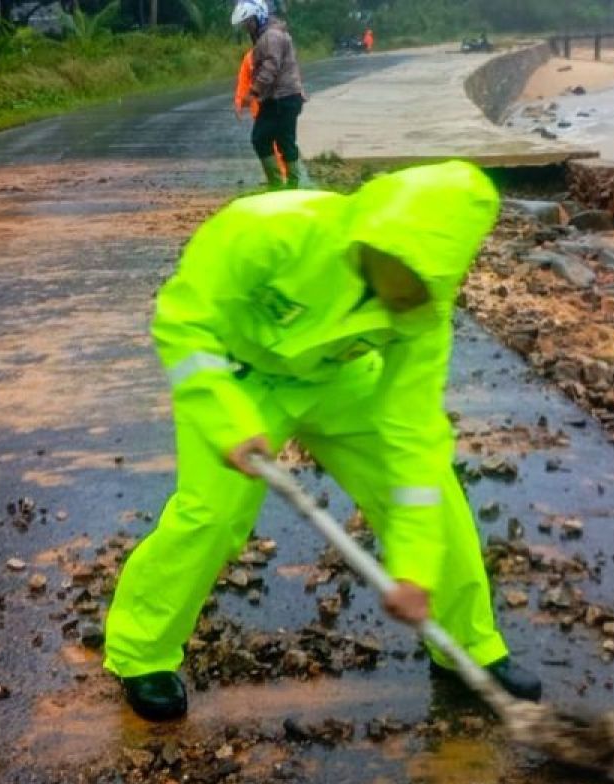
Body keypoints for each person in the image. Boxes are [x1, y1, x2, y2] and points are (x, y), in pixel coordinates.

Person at [102, 161, 543, 722]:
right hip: (237, 376)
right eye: (399, 271)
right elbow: (183, 321)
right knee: (210, 515)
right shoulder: (266, 228)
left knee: (433, 490)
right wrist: (225, 418)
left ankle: (468, 648)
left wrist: (414, 568)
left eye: (419, 287)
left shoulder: (422, 313)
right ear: (377, 235)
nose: (401, 295)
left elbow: (412, 431)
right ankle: (141, 653)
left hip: (337, 381)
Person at [246, 2, 313, 189]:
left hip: (282, 98)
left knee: (266, 138)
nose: (246, 26)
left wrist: (253, 91)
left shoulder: (271, 36)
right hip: (280, 97)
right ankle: (288, 184)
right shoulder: (269, 34)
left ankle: (284, 184)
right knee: (281, 140)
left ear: (257, 18)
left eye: (248, 21)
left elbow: (270, 66)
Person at [232, 1, 286, 183]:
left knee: (280, 143)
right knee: (264, 142)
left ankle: (285, 179)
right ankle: (277, 179)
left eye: (249, 23)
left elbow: (275, 71)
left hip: (276, 104)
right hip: (261, 108)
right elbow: (244, 79)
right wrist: (240, 101)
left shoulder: (274, 41)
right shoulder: (251, 55)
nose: (248, 29)